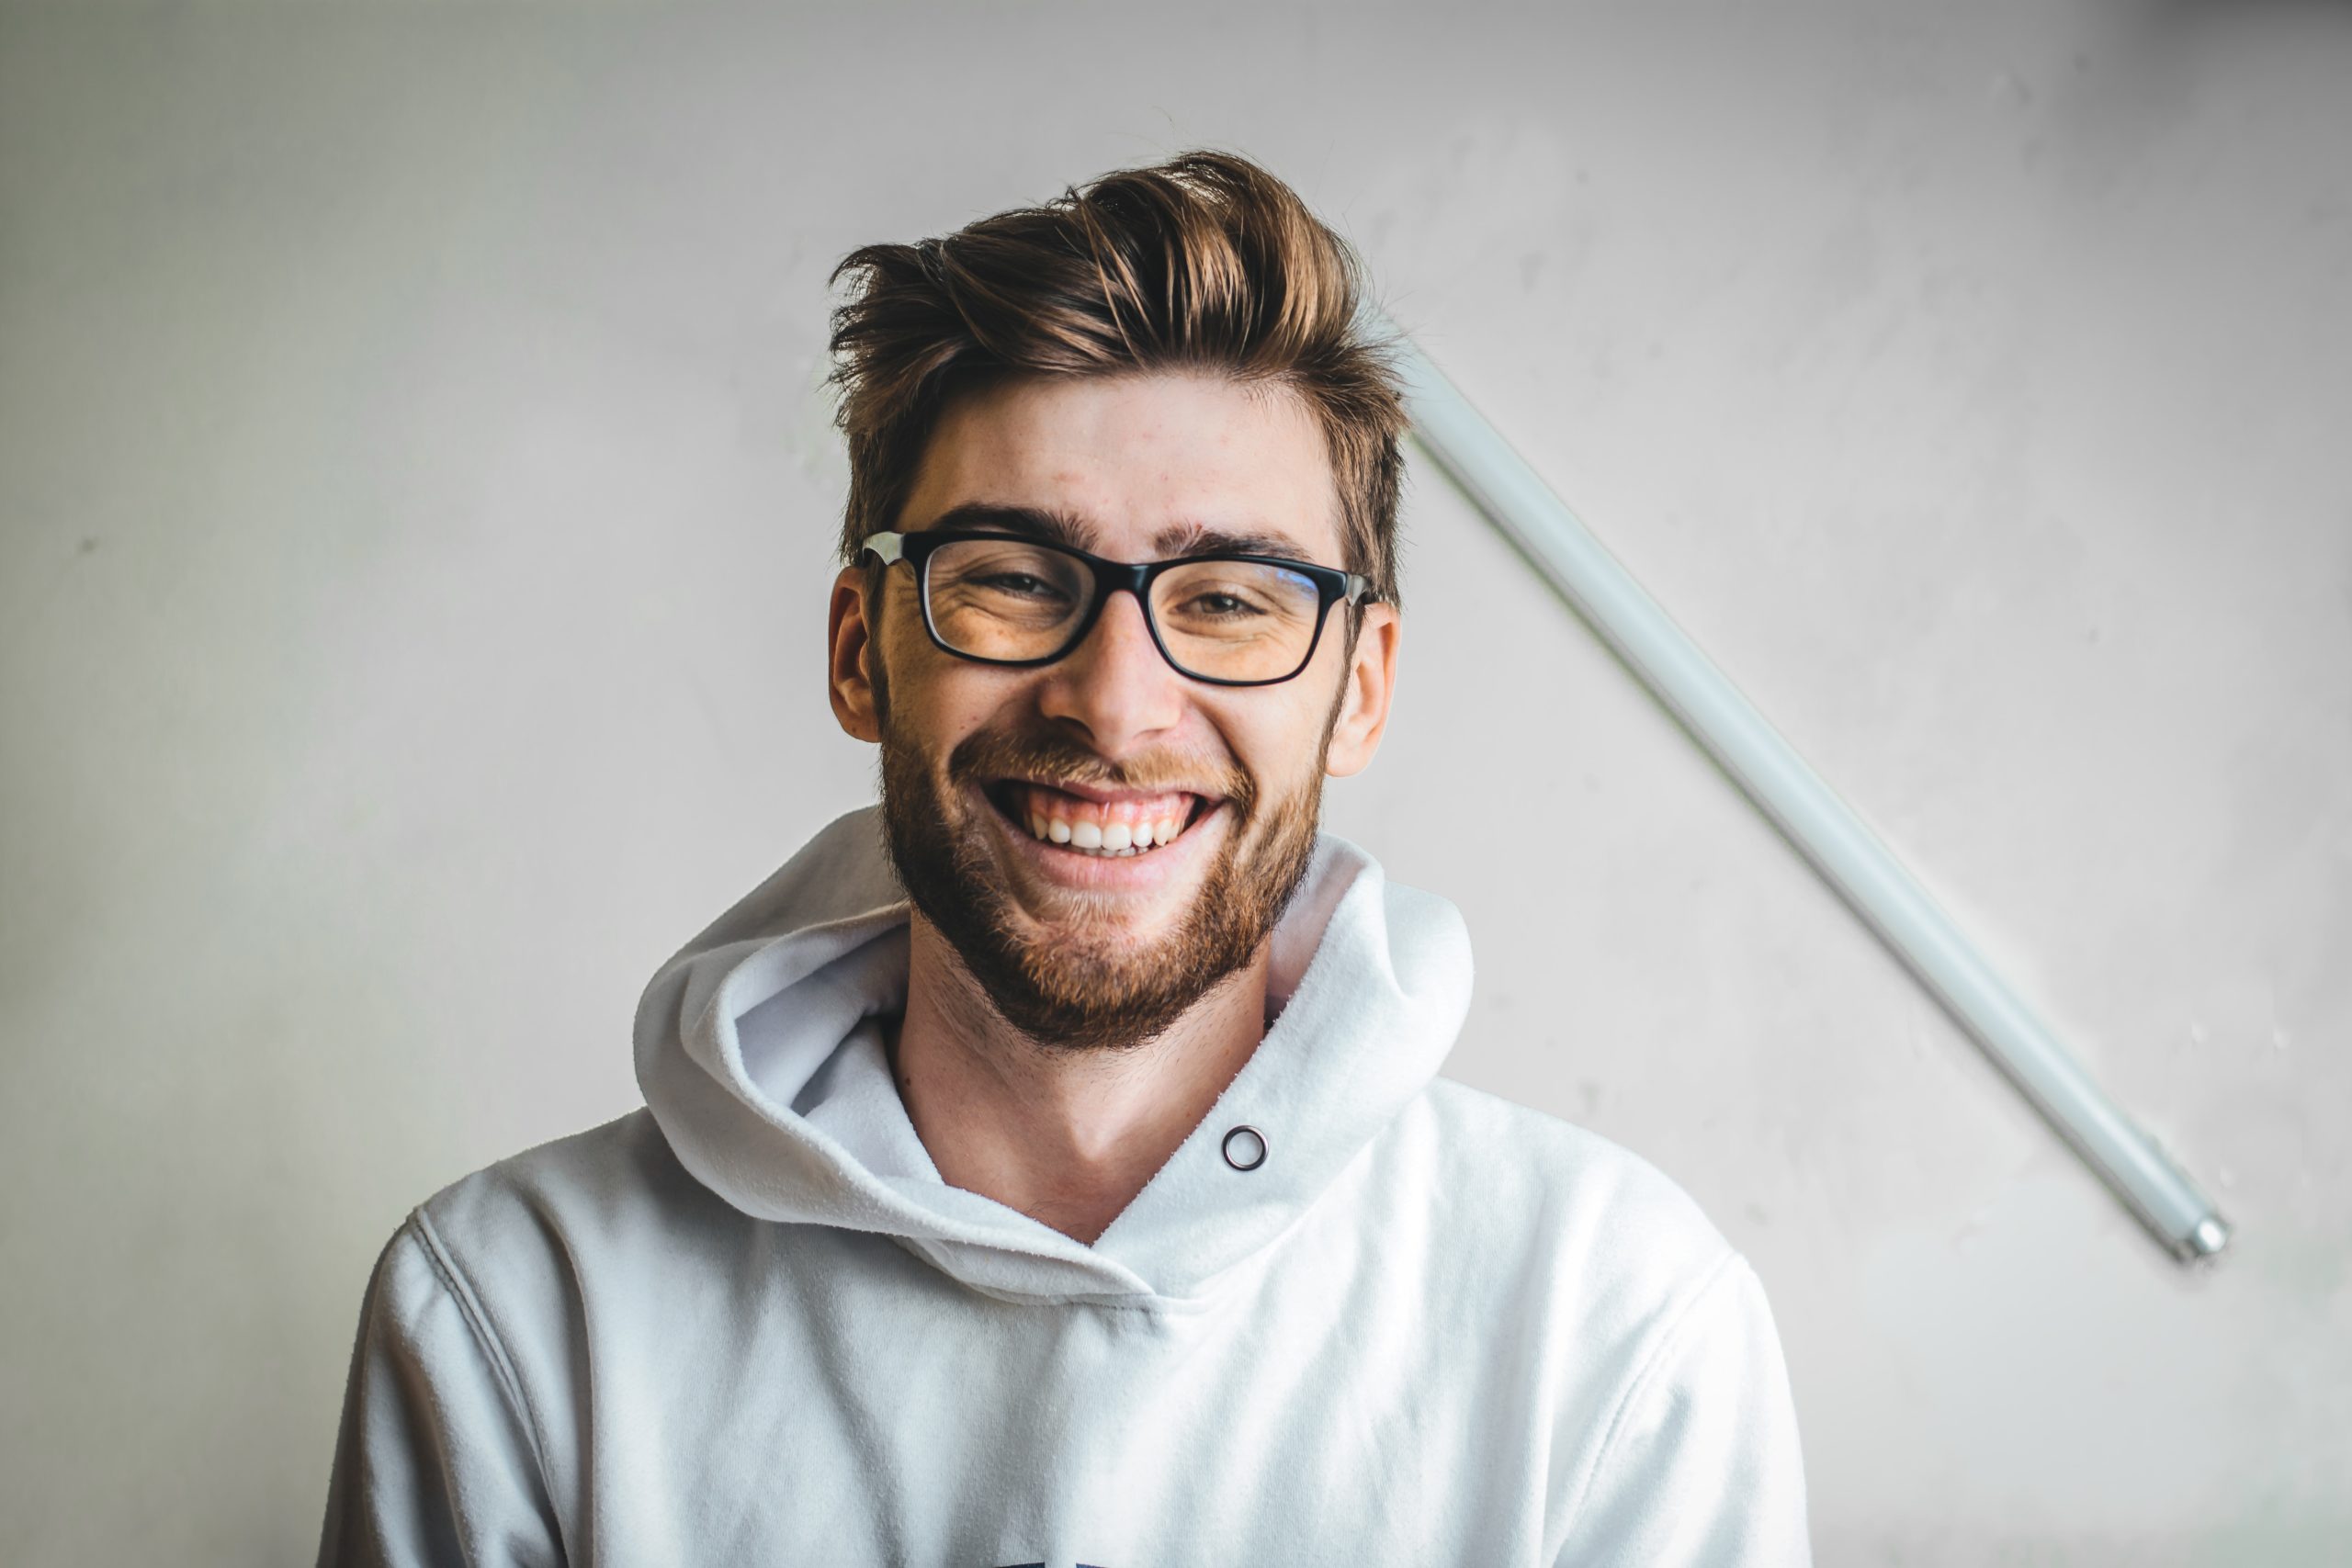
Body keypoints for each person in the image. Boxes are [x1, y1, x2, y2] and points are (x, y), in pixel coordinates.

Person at [317, 150, 1810, 1566]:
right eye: (1017, 579)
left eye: (1230, 597)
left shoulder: (1613, 1334)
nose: (1114, 700)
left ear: (1358, 686)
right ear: (861, 652)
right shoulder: (514, 1318)